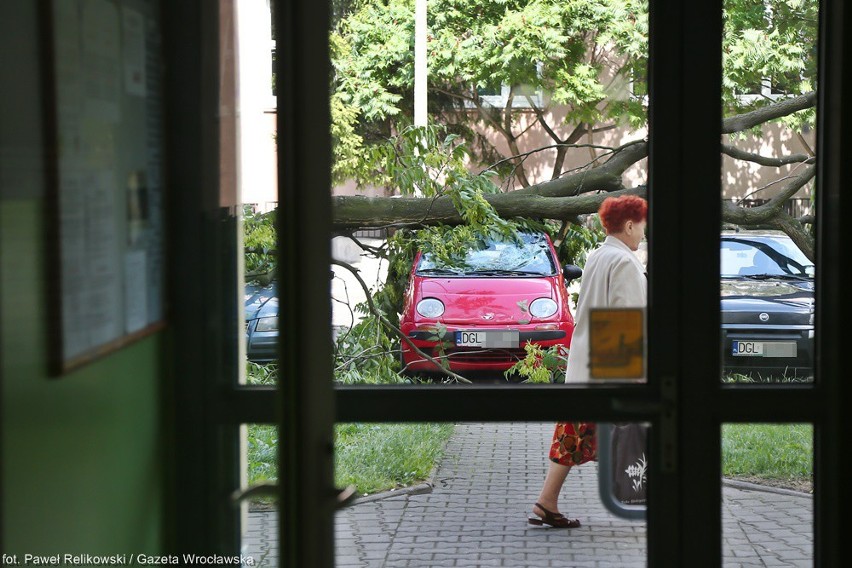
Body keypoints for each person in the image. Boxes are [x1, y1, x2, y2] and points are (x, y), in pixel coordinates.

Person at [528, 194, 648, 529]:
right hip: (611, 369)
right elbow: (626, 319)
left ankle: (546, 502)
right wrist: (634, 376)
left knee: (572, 436)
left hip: (589, 365)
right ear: (628, 225)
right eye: (641, 225)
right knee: (601, 436)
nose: (643, 232)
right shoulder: (624, 263)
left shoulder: (598, 255)